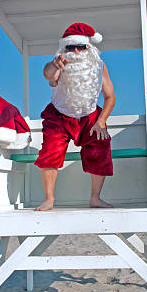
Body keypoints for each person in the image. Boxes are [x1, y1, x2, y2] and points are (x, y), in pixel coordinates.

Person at [33, 22, 116, 211]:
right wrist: (54, 65)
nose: (77, 51)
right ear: (65, 48)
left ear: (89, 48)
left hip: (89, 117)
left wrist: (101, 121)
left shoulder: (99, 66)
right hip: (60, 116)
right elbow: (48, 75)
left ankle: (95, 198)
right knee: (50, 151)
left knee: (101, 145)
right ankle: (49, 199)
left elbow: (110, 97)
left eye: (81, 47)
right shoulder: (59, 63)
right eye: (71, 47)